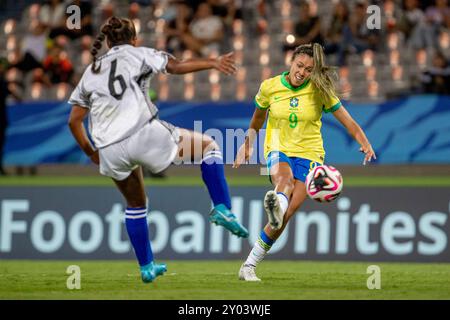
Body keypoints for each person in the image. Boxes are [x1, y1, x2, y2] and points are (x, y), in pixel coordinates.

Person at [68, 16, 249, 284]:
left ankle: (147, 266)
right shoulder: (141, 53)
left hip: (109, 148)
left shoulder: (91, 71)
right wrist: (211, 62)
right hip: (142, 133)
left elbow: (74, 121)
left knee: (135, 204)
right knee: (209, 147)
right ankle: (222, 207)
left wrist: (92, 154)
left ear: (107, 41)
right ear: (134, 39)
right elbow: (174, 67)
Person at [233, 43, 376, 281]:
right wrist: (247, 144)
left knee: (287, 213)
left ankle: (249, 265)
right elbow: (258, 118)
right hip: (278, 147)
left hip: (310, 153)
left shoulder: (320, 90)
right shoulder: (270, 87)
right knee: (284, 180)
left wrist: (365, 142)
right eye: (299, 65)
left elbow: (347, 120)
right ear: (291, 61)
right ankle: (276, 201)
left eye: (309, 69)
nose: (302, 72)